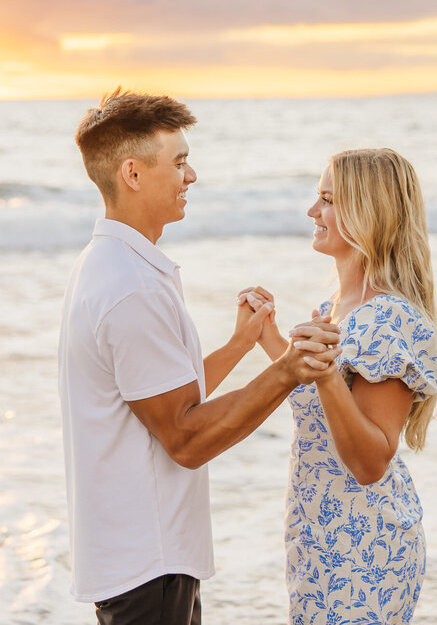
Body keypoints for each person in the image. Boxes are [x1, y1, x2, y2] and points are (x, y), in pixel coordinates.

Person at [57, 88, 342, 625]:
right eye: (180, 162)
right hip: (148, 562)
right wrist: (286, 371)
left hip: (137, 555)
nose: (192, 176)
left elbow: (161, 396)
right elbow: (185, 439)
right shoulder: (130, 287)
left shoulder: (107, 264)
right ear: (133, 174)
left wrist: (240, 345)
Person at [247, 148, 437, 625]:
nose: (313, 212)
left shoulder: (390, 319)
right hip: (319, 533)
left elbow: (370, 461)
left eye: (327, 200)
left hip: (365, 547)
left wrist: (327, 371)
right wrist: (267, 334)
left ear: (366, 213)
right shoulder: (336, 308)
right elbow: (318, 396)